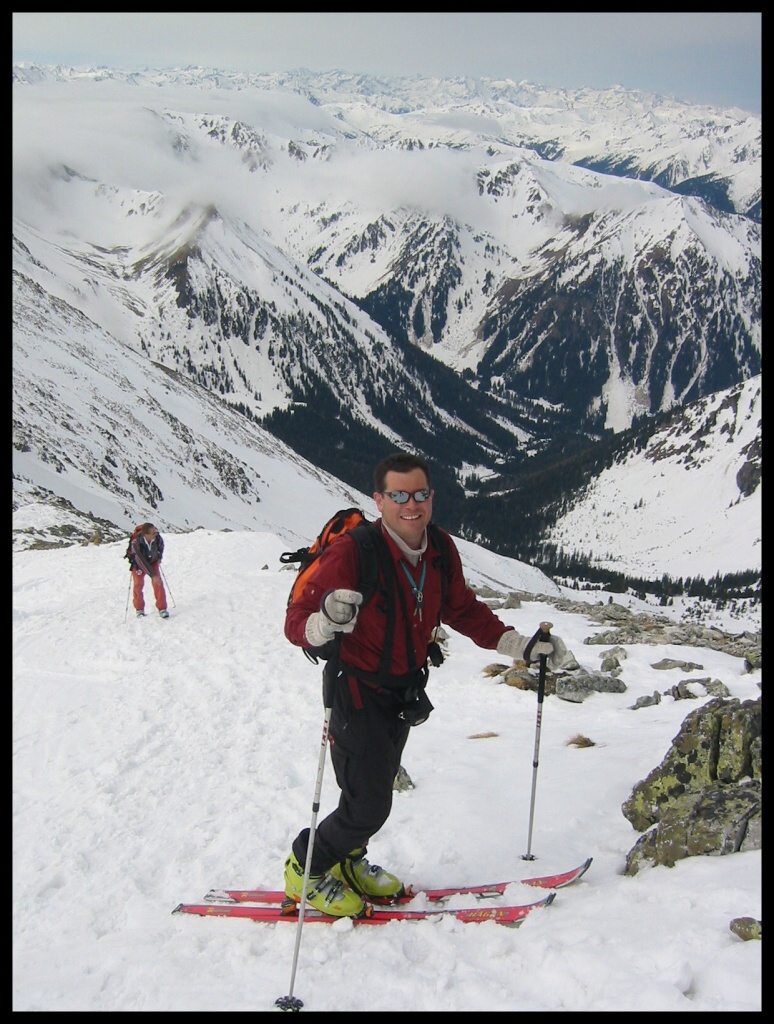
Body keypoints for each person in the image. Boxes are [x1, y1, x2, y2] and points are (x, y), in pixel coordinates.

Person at [283, 451, 573, 917]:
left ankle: (349, 860)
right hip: (356, 690)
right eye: (398, 495)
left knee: (363, 788)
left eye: (419, 494)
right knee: (369, 805)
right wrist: (324, 623)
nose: (410, 504)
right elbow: (296, 622)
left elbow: (462, 609)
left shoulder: (439, 549)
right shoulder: (353, 551)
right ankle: (306, 868)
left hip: (402, 691)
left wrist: (520, 646)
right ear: (379, 500)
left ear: (432, 497)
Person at [129, 523, 169, 619]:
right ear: (146, 534)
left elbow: (161, 547)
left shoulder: (158, 539)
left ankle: (162, 608)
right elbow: (140, 560)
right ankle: (139, 609)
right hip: (138, 565)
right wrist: (152, 575)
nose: (156, 534)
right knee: (138, 585)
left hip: (153, 561)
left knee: (158, 583)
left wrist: (159, 557)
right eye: (153, 533)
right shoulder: (135, 543)